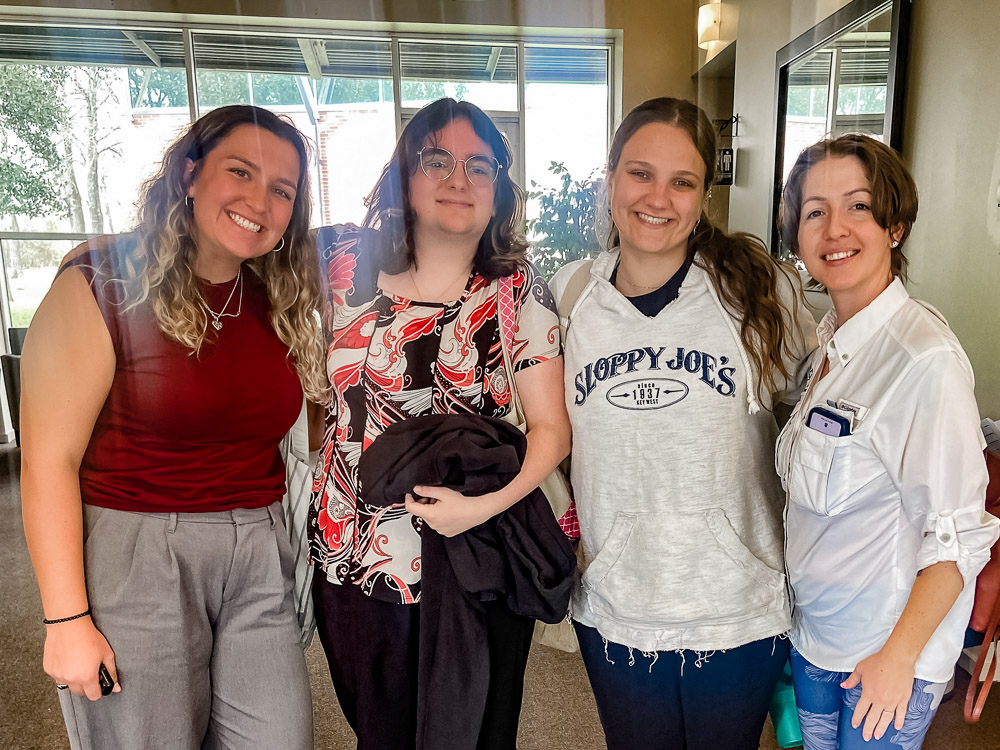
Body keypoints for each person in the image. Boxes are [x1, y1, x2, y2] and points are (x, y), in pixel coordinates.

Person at [20, 105, 325, 749]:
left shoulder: (277, 298)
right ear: (189, 174)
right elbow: (48, 461)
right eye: (239, 172)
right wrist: (65, 619)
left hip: (259, 549)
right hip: (139, 552)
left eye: (282, 190)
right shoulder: (101, 284)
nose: (259, 202)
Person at [547, 96, 817, 750]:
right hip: (617, 600)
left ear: (703, 197)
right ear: (610, 177)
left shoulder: (758, 292)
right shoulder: (569, 296)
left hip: (737, 604)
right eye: (640, 173)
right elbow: (543, 430)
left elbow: (825, 405)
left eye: (682, 181)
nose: (657, 198)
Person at [308, 98, 571, 750]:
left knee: (480, 733)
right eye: (437, 161)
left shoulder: (517, 290)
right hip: (353, 553)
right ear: (405, 177)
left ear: (498, 190)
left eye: (479, 166)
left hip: (479, 554)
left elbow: (550, 430)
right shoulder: (339, 269)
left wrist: (481, 508)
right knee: (379, 731)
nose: (459, 179)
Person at [775, 134, 999, 749]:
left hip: (885, 652)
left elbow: (958, 535)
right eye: (815, 212)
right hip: (819, 636)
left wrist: (898, 659)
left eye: (858, 206)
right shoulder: (834, 343)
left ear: (894, 226)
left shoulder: (921, 359)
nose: (834, 229)